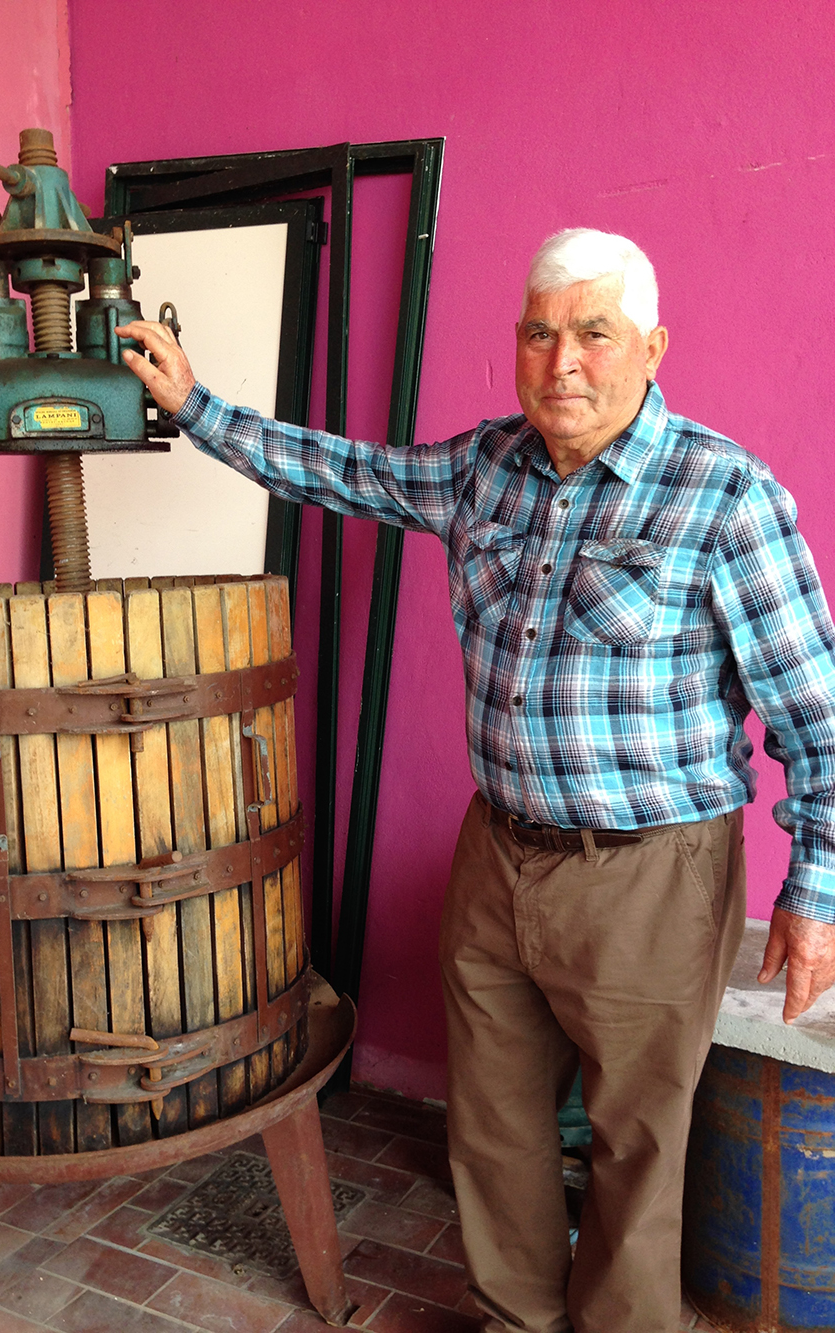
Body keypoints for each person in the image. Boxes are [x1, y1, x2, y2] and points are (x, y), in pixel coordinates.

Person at [116, 228, 835, 1333]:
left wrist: (813, 892)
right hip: (496, 854)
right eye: (540, 334)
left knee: (639, 1145)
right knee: (492, 1125)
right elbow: (345, 471)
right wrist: (198, 405)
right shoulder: (481, 466)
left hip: (651, 874)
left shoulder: (724, 496)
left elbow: (818, 718)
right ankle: (514, 1319)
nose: (564, 364)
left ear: (651, 346)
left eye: (594, 334)